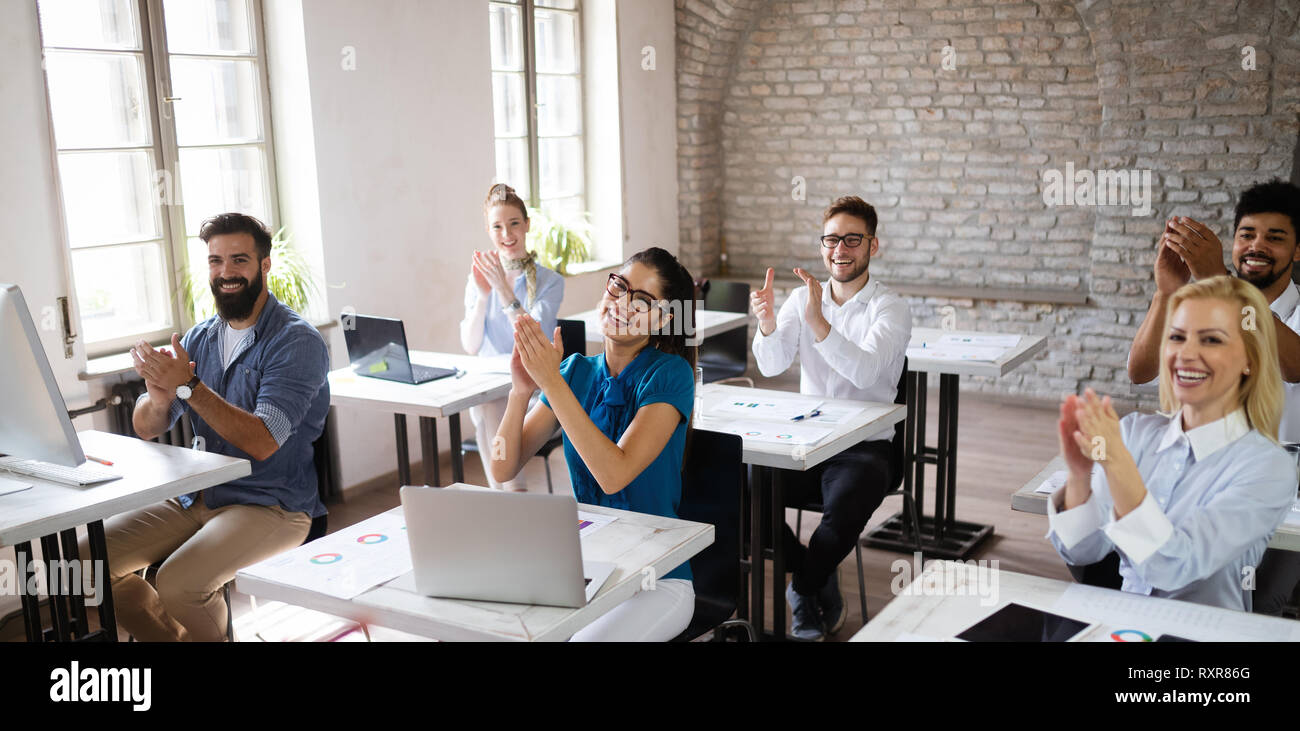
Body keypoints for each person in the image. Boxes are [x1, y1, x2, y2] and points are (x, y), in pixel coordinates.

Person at [83, 213, 331, 641]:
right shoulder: (199, 338)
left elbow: (263, 440)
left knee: (180, 584)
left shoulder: (296, 341)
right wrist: (160, 395)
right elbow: (146, 426)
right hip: (197, 497)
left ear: (264, 265)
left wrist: (188, 385)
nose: (226, 272)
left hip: (273, 503)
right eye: (216, 261)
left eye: (239, 260)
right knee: (85, 564)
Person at [1050, 276, 1296, 612]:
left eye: (1211, 340)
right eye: (1177, 337)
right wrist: (1080, 476)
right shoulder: (1134, 432)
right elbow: (1080, 551)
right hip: (1125, 628)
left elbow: (1175, 567)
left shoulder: (1269, 467)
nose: (1186, 354)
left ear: (1249, 360)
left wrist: (1118, 464)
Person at [492, 247, 696, 641]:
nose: (622, 303)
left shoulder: (671, 375)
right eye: (619, 286)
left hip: (656, 579)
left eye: (642, 301)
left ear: (664, 318)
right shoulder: (575, 371)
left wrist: (551, 382)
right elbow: (503, 465)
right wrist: (520, 392)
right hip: (587, 567)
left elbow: (613, 474)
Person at [1126, 179, 1300, 614]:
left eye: (1275, 238)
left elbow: (1293, 365)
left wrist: (1217, 278)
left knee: (1252, 604)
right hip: (1196, 473)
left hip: (1281, 490)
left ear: (1298, 252)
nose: (1257, 246)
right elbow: (1140, 370)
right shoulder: (1204, 299)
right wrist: (1168, 290)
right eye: (1247, 234)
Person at [750, 195, 913, 640]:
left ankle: (802, 589)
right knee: (744, 486)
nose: (839, 249)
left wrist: (818, 322)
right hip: (808, 440)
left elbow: (863, 371)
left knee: (846, 503)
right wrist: (766, 324)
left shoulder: (891, 308)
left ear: (872, 246)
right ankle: (815, 570)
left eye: (852, 240)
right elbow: (771, 364)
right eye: (831, 239)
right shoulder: (803, 298)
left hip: (866, 446)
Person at [459, 183, 564, 491]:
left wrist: (503, 291)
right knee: (490, 402)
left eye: (514, 223)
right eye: (497, 226)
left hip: (532, 387)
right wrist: (482, 296)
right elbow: (471, 345)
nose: (507, 234)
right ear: (489, 231)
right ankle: (511, 496)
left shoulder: (549, 281)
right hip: (489, 385)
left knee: (493, 406)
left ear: (527, 224)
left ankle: (509, 495)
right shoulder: (479, 279)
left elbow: (534, 338)